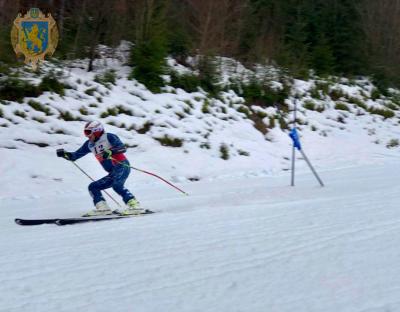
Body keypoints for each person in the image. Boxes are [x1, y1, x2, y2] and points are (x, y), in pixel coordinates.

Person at [56, 121, 143, 217]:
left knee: (117, 185)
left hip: (121, 165)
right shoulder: (89, 144)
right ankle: (102, 208)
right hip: (113, 172)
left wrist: (110, 151)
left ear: (97, 131)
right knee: (93, 187)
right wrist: (65, 154)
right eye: (85, 132)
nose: (87, 135)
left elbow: (122, 148)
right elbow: (75, 156)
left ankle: (135, 206)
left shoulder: (109, 137)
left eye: (88, 132)